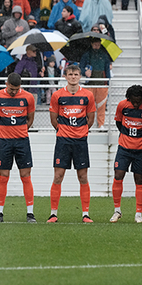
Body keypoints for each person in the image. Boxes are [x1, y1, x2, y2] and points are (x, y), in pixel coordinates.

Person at [48, 64, 96, 223]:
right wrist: (64, 131)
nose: (73, 77)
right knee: (58, 176)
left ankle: (85, 214)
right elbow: (54, 119)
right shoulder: (57, 95)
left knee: (83, 176)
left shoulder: (88, 95)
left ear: (80, 76)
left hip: (80, 141)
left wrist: (80, 131)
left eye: (76, 74)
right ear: (65, 76)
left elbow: (90, 119)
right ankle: (53, 213)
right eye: (70, 74)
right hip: (63, 141)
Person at [0, 72, 36, 223]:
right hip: (5, 142)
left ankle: (30, 214)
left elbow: (30, 120)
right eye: (11, 89)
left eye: (16, 89)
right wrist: (3, 132)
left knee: (26, 176)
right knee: (3, 177)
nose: (13, 92)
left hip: (22, 141)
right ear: (6, 84)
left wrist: (20, 131)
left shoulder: (28, 97)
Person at [110, 85, 142, 224]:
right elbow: (118, 123)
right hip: (124, 148)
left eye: (138, 101)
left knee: (140, 180)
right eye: (133, 101)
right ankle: (117, 210)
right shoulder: (122, 105)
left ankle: (138, 214)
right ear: (129, 98)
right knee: (118, 175)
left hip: (141, 149)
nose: (135, 104)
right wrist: (127, 136)